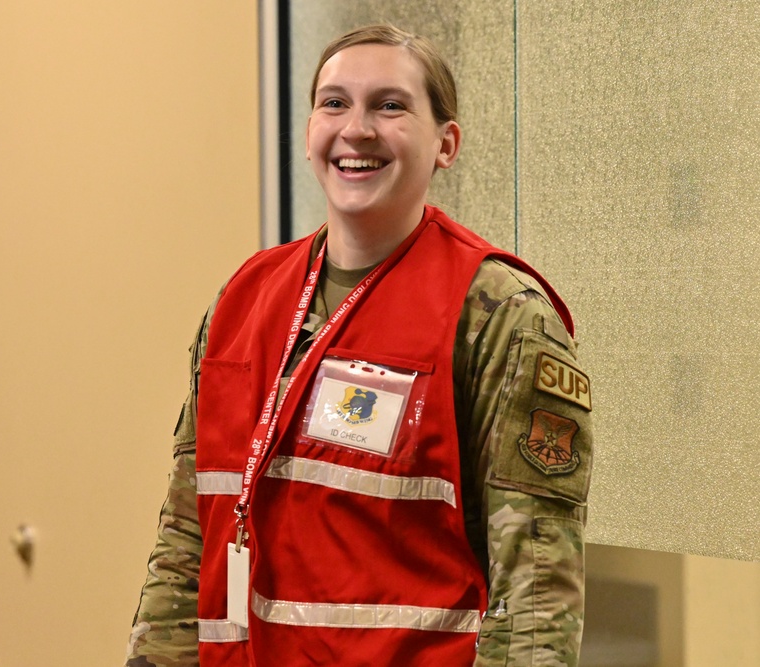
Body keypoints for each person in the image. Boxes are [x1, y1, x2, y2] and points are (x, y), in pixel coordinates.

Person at [126, 23, 592, 667]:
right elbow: (184, 536)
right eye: (334, 102)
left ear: (445, 144)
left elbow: (536, 587)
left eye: (390, 105)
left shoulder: (500, 315)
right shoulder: (242, 301)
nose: (357, 129)